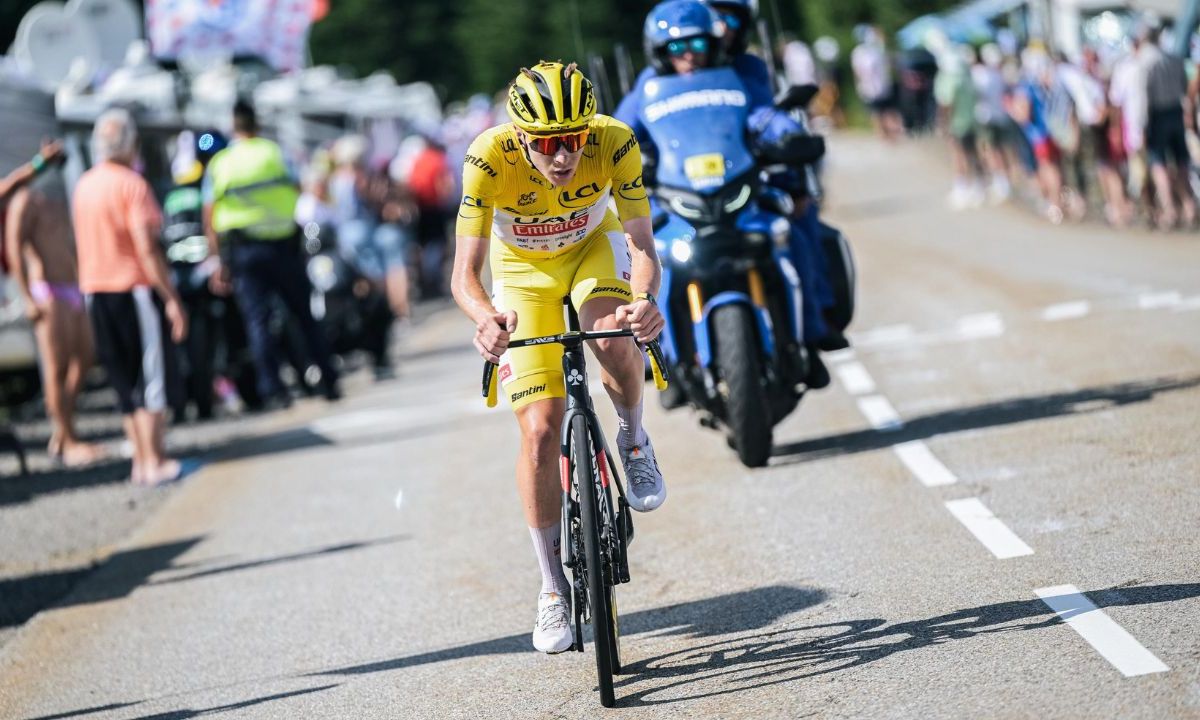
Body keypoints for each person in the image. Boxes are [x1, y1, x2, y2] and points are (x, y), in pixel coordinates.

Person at [451, 61, 666, 655]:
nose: (564, 154)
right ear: (521, 138)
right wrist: (485, 320)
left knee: (611, 335)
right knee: (541, 431)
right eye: (548, 143)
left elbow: (641, 244)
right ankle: (550, 588)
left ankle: (633, 439)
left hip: (591, 254)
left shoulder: (614, 141)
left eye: (573, 138)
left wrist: (646, 301)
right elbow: (464, 275)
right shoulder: (487, 157)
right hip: (522, 273)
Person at [618, 0, 837, 386]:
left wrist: (788, 136)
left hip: (744, 183)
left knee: (791, 231)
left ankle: (810, 332)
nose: (688, 54)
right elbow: (618, 131)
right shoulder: (648, 86)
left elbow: (763, 115)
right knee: (640, 246)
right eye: (675, 47)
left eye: (698, 44)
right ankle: (659, 348)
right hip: (675, 190)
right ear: (657, 50)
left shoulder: (743, 71)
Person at [72, 109, 187, 485]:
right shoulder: (131, 184)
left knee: (122, 380)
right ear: (130, 143)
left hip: (94, 291)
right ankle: (154, 460)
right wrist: (170, 297)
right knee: (149, 377)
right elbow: (146, 248)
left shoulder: (84, 186)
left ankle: (140, 461)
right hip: (133, 288)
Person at [204, 100, 341, 408]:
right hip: (283, 245)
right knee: (303, 315)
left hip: (243, 250)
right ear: (257, 124)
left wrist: (216, 260)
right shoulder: (275, 153)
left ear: (234, 126)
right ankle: (329, 380)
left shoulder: (221, 163)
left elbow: (210, 214)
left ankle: (274, 390)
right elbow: (299, 190)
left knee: (258, 322)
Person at [4, 144, 105, 466]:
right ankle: (67, 436)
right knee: (56, 367)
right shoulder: (24, 201)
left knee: (86, 357)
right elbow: (15, 250)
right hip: (46, 289)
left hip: (71, 288)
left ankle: (62, 433)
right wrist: (28, 298)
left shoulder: (58, 202)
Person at [328, 134, 413, 318]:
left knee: (368, 273)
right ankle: (393, 308)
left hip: (347, 231)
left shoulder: (336, 179)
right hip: (367, 227)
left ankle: (380, 310)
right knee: (386, 270)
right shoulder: (363, 176)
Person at [1142, 24, 1197, 229]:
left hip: (1157, 115)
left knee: (1159, 164)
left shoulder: (1148, 62)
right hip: (1175, 112)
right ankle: (1189, 206)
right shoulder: (1174, 59)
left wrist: (1142, 125)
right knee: (1181, 161)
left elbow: (1144, 96)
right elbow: (1184, 86)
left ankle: (1170, 210)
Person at [851, 25, 903, 140]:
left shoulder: (877, 50)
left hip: (882, 86)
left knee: (888, 110)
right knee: (876, 112)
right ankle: (883, 135)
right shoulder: (859, 52)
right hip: (870, 87)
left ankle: (894, 133)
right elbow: (858, 72)